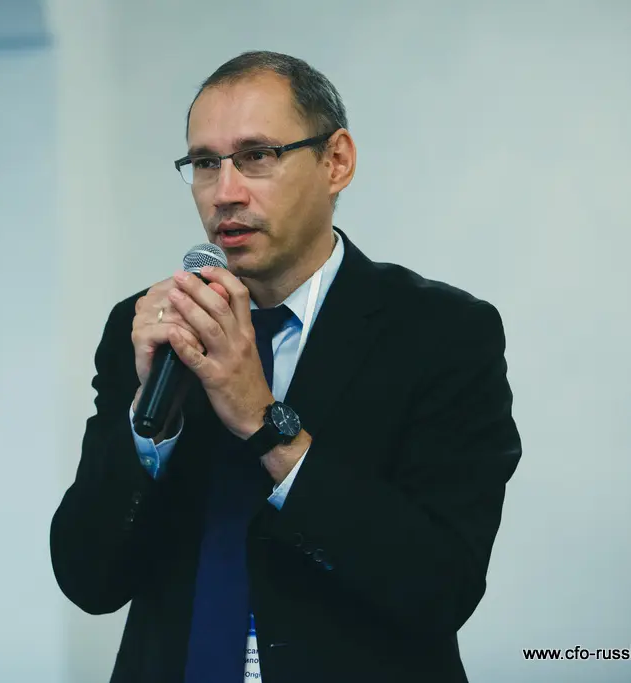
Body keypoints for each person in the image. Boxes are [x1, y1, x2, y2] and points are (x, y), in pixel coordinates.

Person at [49, 50, 522, 683]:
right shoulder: (149, 327)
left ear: (336, 161)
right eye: (205, 163)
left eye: (257, 155)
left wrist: (263, 422)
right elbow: (88, 579)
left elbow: (440, 586)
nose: (225, 192)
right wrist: (148, 428)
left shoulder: (441, 332)